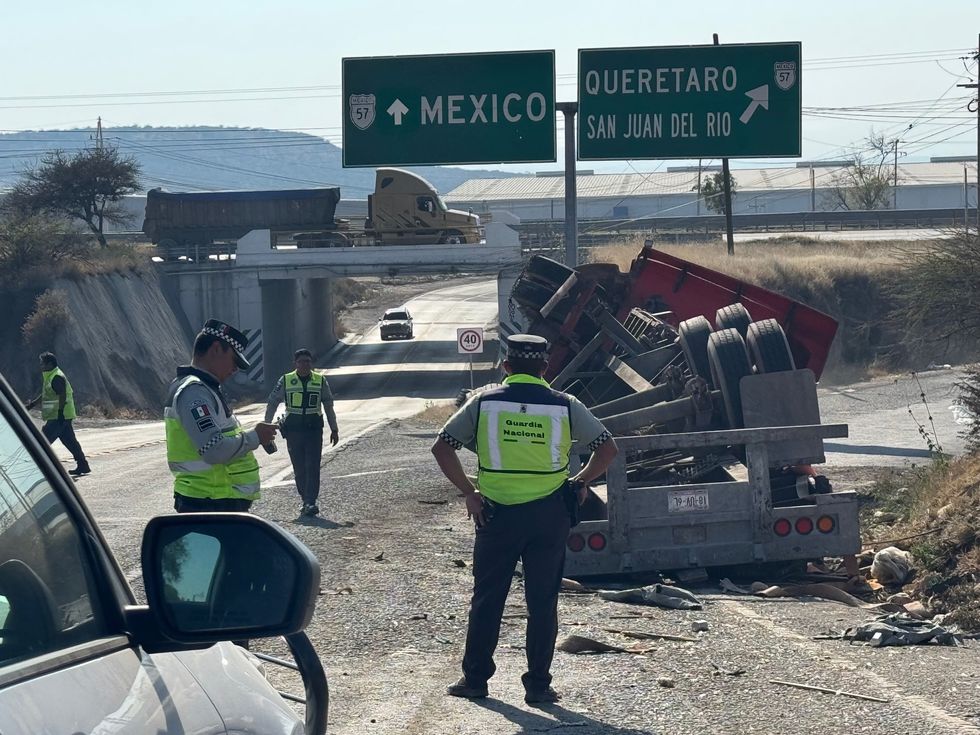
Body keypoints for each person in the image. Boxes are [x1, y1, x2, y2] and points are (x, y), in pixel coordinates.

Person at [431, 333, 619, 705]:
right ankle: (538, 686)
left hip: (496, 515)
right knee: (543, 601)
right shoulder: (565, 405)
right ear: (545, 368)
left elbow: (441, 447)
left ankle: (475, 680)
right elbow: (608, 448)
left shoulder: (483, 402)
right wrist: (581, 481)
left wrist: (470, 491)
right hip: (549, 516)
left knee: (487, 599)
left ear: (506, 366)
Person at [164, 319, 278, 513]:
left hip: (213, 500)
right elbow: (213, 450)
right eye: (234, 360)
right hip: (208, 502)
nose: (235, 369)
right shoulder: (194, 392)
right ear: (216, 349)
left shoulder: (204, 389)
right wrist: (255, 437)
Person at [264, 348, 339, 517]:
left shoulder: (320, 380)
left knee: (313, 467)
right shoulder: (285, 380)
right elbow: (272, 402)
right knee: (299, 468)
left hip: (313, 431)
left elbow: (328, 405)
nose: (305, 364)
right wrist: (266, 425)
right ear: (295, 364)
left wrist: (334, 428)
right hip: (294, 432)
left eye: (307, 361)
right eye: (301, 362)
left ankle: (310, 501)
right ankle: (305, 499)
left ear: (311, 363)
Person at [26, 352, 90, 476]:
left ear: (49, 364)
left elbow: (62, 395)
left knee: (43, 441)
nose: (41, 366)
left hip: (59, 416)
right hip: (61, 416)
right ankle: (83, 465)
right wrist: (31, 405)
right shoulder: (51, 376)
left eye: (42, 363)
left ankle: (36, 469)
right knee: (69, 441)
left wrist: (60, 413)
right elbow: (47, 394)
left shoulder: (56, 377)